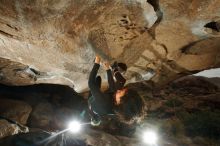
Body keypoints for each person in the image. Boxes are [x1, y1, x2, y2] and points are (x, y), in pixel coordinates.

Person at [88, 56, 145, 126]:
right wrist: (108, 70)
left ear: (119, 104)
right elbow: (113, 88)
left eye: (121, 94)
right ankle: (114, 68)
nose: (121, 91)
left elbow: (91, 83)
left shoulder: (103, 103)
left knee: (97, 82)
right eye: (125, 91)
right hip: (109, 99)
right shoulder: (122, 105)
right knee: (119, 82)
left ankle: (95, 91)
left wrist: (97, 64)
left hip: (94, 103)